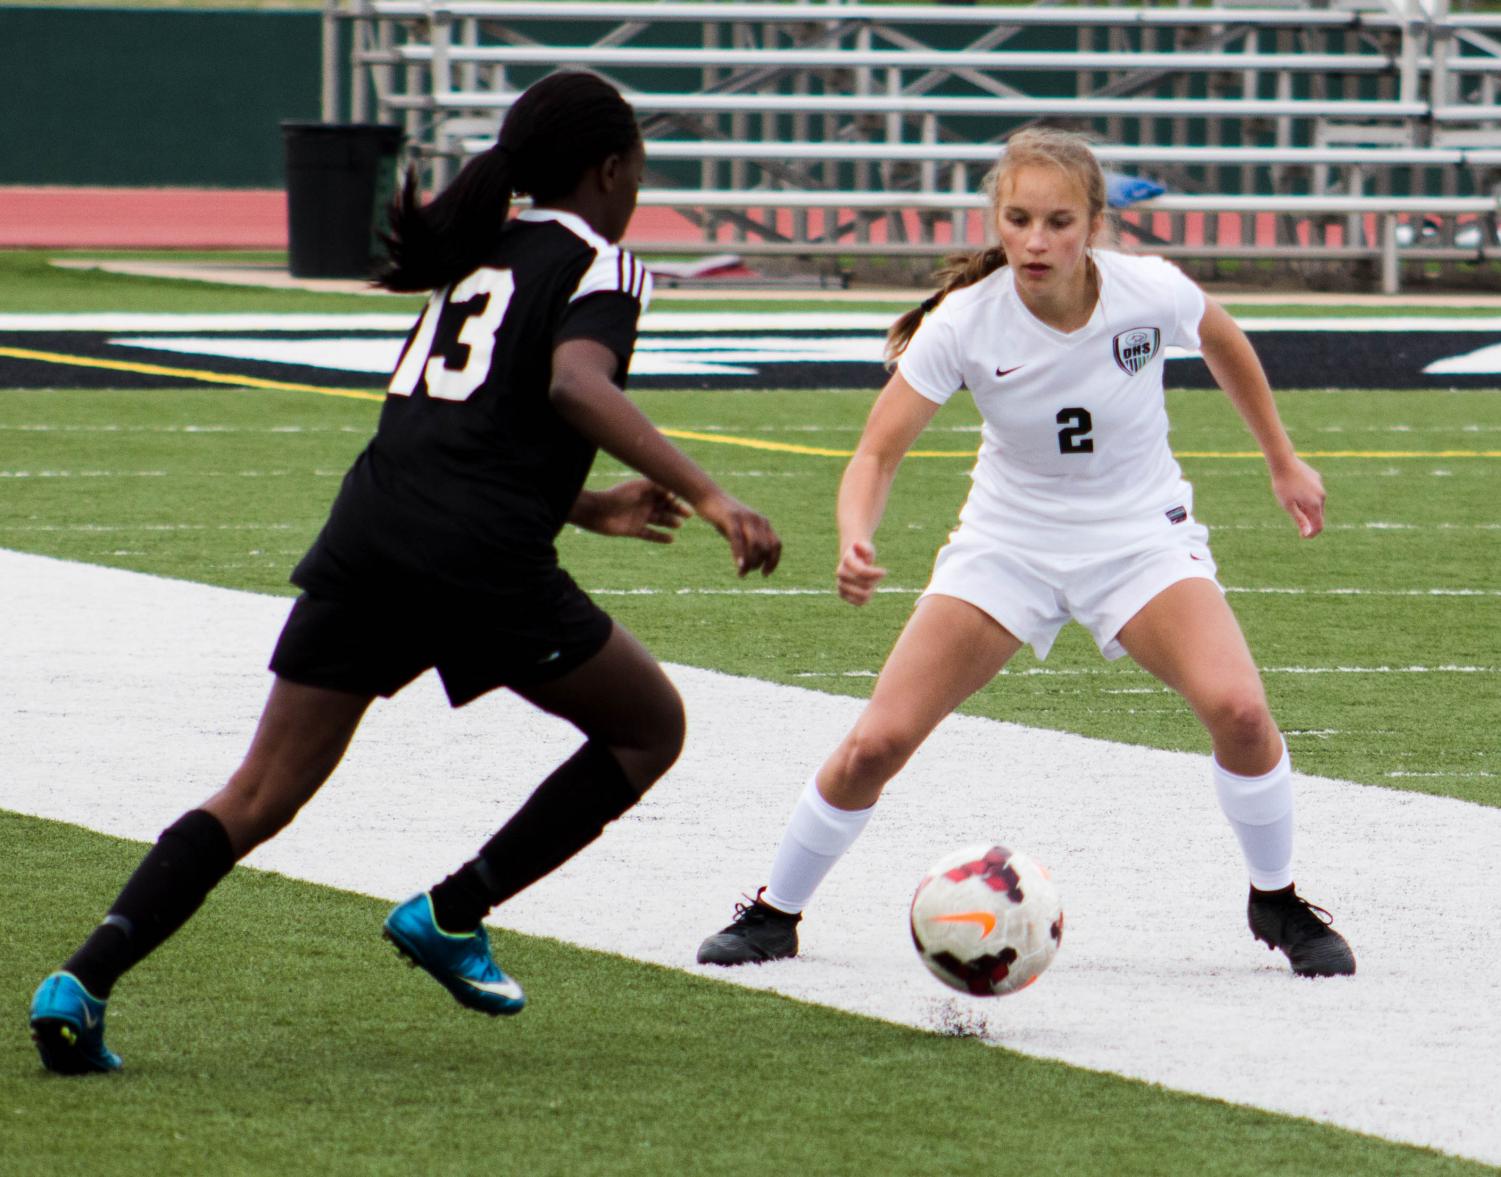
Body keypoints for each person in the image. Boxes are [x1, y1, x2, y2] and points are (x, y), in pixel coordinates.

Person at [29, 70, 782, 1075]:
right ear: (611, 170)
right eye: (638, 164)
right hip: (473, 558)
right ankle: (452, 911)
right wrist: (713, 494)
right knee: (649, 729)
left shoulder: (482, 257)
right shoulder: (606, 264)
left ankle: (80, 981)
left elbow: (464, 423)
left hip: (374, 530)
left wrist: (590, 505)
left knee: (258, 789)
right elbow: (572, 382)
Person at [697, 127, 1354, 981]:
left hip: (1137, 540)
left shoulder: (1146, 290)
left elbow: (1223, 339)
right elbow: (875, 453)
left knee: (1238, 709)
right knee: (874, 744)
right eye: (1018, 219)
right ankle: (774, 911)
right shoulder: (964, 321)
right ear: (994, 221)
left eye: (1058, 222)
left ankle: (1276, 897)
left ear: (1094, 226)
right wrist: (857, 532)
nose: (1036, 241)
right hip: (1007, 546)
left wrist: (1281, 457)